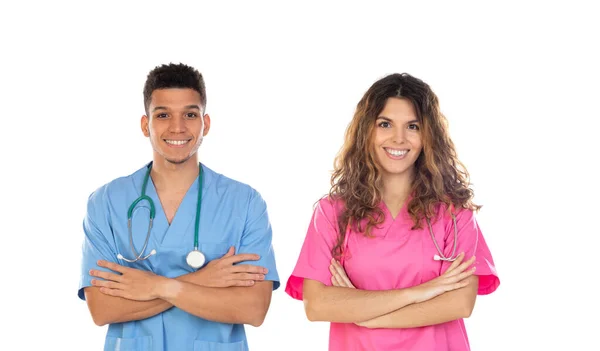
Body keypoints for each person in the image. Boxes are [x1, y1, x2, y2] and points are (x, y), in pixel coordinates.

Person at [285, 73, 500, 350]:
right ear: (367, 131)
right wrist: (420, 293)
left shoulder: (454, 213)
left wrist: (366, 316)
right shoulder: (332, 213)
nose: (399, 138)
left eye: (413, 126)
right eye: (385, 124)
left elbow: (459, 302)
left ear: (427, 136)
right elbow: (317, 305)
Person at [78, 63, 280, 351]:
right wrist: (202, 281)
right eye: (163, 115)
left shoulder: (245, 203)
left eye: (190, 114)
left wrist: (157, 286)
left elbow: (253, 309)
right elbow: (102, 309)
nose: (177, 127)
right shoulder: (106, 202)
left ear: (205, 124)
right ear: (145, 124)